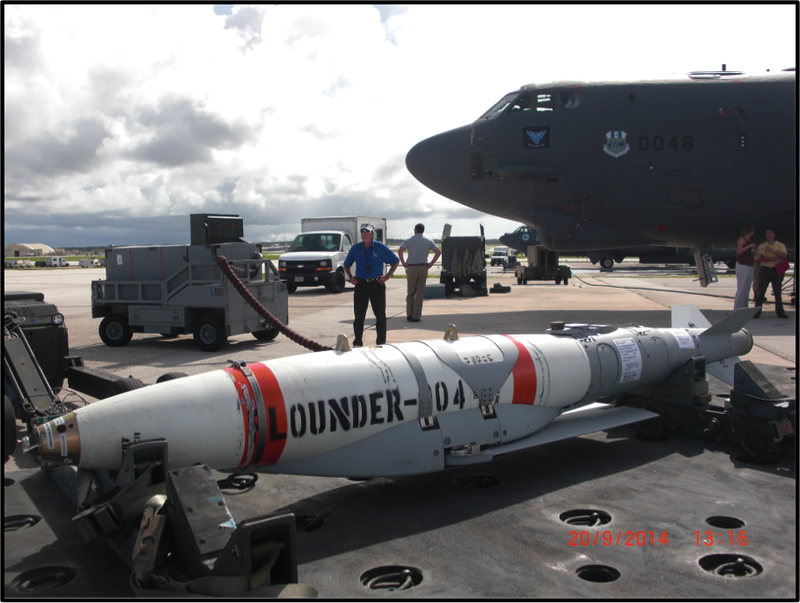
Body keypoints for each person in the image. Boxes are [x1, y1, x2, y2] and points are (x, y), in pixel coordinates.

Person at [343, 223, 400, 346]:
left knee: (380, 315)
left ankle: (381, 342)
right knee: (359, 316)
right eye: (362, 231)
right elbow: (346, 264)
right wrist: (351, 277)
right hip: (361, 284)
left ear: (372, 234)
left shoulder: (380, 248)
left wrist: (388, 275)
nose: (364, 233)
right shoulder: (356, 248)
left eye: (367, 231)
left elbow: (395, 261)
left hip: (376, 284)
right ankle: (357, 341)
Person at [398, 224, 441, 322]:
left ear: (415, 230)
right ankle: (417, 316)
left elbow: (400, 250)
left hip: (411, 267)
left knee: (411, 292)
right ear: (423, 231)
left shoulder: (409, 240)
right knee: (419, 293)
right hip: (423, 267)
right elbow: (438, 252)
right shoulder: (428, 241)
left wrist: (403, 262)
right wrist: (431, 263)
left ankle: (409, 313)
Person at [753, 228, 789, 319]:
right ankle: (756, 312)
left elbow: (784, 256)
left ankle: (780, 312)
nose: (768, 235)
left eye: (770, 233)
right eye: (766, 234)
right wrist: (776, 259)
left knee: (778, 292)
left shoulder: (780, 245)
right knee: (761, 292)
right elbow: (763, 257)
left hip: (776, 270)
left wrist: (772, 251)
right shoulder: (762, 246)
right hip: (765, 269)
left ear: (774, 234)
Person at [734, 225, 756, 311]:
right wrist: (749, 246)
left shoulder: (749, 240)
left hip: (749, 264)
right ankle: (737, 308)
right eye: (752, 231)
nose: (753, 232)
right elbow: (739, 251)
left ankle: (744, 307)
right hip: (742, 264)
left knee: (747, 288)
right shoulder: (742, 239)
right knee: (742, 287)